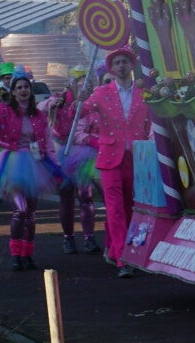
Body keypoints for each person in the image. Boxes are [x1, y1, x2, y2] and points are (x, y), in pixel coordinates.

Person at [80, 48, 152, 277]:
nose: (121, 66)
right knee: (115, 209)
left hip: (136, 159)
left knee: (132, 209)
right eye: (117, 63)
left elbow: (152, 122)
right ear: (111, 68)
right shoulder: (102, 93)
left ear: (131, 66)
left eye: (124, 62)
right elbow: (81, 112)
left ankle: (116, 251)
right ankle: (124, 259)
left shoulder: (143, 94)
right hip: (110, 159)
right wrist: (76, 100)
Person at [0, 73, 58, 272]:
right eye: (19, 87)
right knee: (20, 211)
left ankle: (27, 254)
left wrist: (56, 167)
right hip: (10, 164)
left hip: (34, 164)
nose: (23, 90)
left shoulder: (38, 115)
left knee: (30, 215)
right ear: (13, 92)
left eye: (26, 87)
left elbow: (48, 143)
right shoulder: (1, 111)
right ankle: (15, 255)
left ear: (30, 90)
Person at [46, 76, 100, 254]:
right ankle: (68, 237)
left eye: (88, 84)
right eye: (80, 84)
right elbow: (45, 107)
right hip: (63, 153)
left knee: (86, 196)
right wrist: (53, 104)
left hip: (84, 153)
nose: (84, 88)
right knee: (66, 196)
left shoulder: (93, 103)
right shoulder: (61, 99)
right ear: (72, 85)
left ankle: (89, 237)